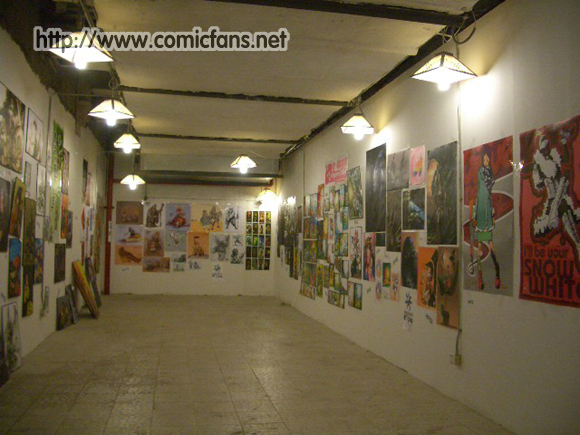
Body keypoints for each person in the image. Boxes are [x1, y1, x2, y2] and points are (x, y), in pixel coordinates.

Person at [474, 147, 500, 290]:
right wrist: (475, 214)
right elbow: (480, 194)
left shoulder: (489, 174)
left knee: (490, 246)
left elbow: (488, 196)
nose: (486, 160)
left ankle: (497, 273)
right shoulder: (482, 174)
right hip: (481, 213)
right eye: (484, 159)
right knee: (479, 248)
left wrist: (492, 214)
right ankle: (480, 277)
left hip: (486, 213)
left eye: (487, 158)